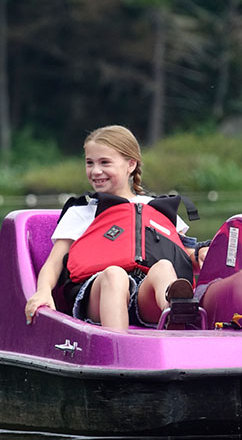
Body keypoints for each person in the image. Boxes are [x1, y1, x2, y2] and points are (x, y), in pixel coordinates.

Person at [25, 125, 202, 331]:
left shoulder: (157, 209)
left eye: (105, 162)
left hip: (144, 297)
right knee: (114, 274)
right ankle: (117, 346)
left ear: (130, 165)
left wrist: (203, 254)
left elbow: (186, 256)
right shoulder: (82, 211)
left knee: (163, 267)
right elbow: (53, 264)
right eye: (89, 163)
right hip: (98, 292)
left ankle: (176, 317)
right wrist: (43, 291)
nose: (95, 171)